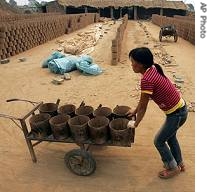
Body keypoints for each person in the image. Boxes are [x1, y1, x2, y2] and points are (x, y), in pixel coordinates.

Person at [126, 47, 188, 179]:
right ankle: (180, 163)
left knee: (159, 141)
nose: (131, 65)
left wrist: (135, 123)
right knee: (171, 138)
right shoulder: (152, 68)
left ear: (141, 64)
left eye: (133, 62)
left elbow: (143, 106)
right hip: (180, 109)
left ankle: (173, 167)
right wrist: (134, 110)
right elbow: (143, 100)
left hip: (176, 114)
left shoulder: (147, 79)